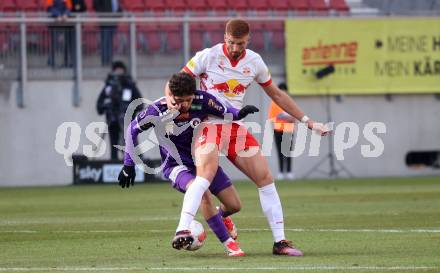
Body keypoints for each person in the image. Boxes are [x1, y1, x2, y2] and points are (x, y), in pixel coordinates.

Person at [170, 19, 330, 256]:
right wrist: (174, 106)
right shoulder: (208, 56)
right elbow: (176, 83)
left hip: (235, 127)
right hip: (208, 125)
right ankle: (182, 229)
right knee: (205, 175)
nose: (236, 48)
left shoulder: (254, 61)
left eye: (241, 43)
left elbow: (276, 94)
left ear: (249, 40)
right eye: (232, 43)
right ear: (225, 37)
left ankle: (280, 242)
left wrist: (308, 122)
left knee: (265, 178)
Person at [118, 72, 259, 256]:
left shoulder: (203, 100)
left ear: (194, 95)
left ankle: (218, 216)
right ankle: (228, 244)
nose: (183, 105)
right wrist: (128, 164)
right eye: (178, 100)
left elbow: (226, 111)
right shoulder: (158, 110)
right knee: (202, 193)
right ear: (170, 96)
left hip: (203, 161)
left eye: (187, 100)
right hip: (176, 165)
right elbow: (131, 129)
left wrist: (239, 113)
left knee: (234, 205)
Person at [97, 61, 142, 160]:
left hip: (127, 121)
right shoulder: (109, 87)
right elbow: (99, 106)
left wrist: (129, 108)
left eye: (120, 71)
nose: (118, 73)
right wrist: (107, 105)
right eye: (116, 71)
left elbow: (140, 104)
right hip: (112, 121)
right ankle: (114, 163)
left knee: (130, 143)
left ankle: (134, 162)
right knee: (114, 146)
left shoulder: (130, 86)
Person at [268, 82, 296, 180]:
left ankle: (289, 172)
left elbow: (294, 117)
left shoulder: (290, 102)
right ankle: (280, 172)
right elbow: (273, 117)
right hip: (278, 130)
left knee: (288, 152)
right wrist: (286, 117)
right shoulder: (274, 103)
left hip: (288, 130)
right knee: (280, 152)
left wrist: (283, 117)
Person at [93, 0, 121, 66]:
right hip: (105, 21)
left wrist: (119, 13)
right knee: (105, 42)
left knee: (110, 42)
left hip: (113, 21)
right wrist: (103, 15)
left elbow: (117, 6)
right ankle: (105, 61)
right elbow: (95, 4)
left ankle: (110, 60)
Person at [46, 0, 72, 68]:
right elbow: (49, 8)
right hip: (54, 23)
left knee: (66, 44)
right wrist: (58, 15)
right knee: (54, 43)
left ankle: (66, 62)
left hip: (64, 24)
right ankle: (51, 61)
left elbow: (69, 7)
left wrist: (66, 14)